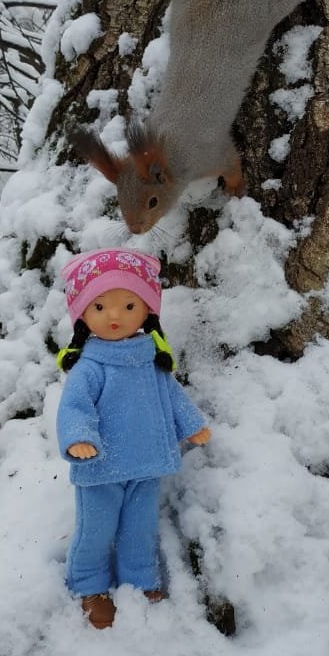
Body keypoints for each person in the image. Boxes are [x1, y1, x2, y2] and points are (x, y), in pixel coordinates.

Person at [56, 249, 210, 629]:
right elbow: (75, 406)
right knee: (96, 530)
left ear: (148, 312)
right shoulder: (90, 367)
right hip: (101, 467)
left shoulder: (151, 361)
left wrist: (191, 424)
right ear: (82, 315)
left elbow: (172, 397)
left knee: (140, 529)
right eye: (99, 306)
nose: (115, 316)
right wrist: (78, 437)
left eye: (129, 305)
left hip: (146, 465)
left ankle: (140, 581)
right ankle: (89, 585)